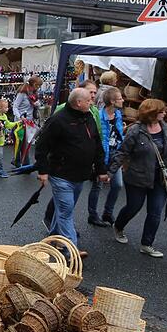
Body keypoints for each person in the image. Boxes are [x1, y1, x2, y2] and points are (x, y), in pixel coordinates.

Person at [34, 87, 109, 250]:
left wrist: (101, 169)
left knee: (63, 210)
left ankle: (53, 239)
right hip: (61, 174)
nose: (92, 102)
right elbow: (41, 146)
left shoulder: (89, 117)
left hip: (80, 175)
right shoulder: (58, 120)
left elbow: (96, 144)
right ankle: (70, 250)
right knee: (66, 212)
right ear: (78, 102)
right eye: (88, 100)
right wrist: (43, 171)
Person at [111, 99, 167, 258]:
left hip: (160, 178)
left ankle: (147, 244)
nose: (165, 113)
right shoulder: (135, 130)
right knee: (133, 207)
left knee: (155, 211)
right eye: (161, 111)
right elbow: (123, 152)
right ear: (152, 113)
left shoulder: (166, 128)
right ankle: (118, 226)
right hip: (137, 177)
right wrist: (110, 172)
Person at [88, 87, 125, 227]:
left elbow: (119, 134)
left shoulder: (118, 115)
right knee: (97, 185)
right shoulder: (99, 116)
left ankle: (108, 212)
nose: (123, 100)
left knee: (117, 185)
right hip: (103, 155)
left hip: (116, 155)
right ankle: (92, 215)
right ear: (112, 101)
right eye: (120, 98)